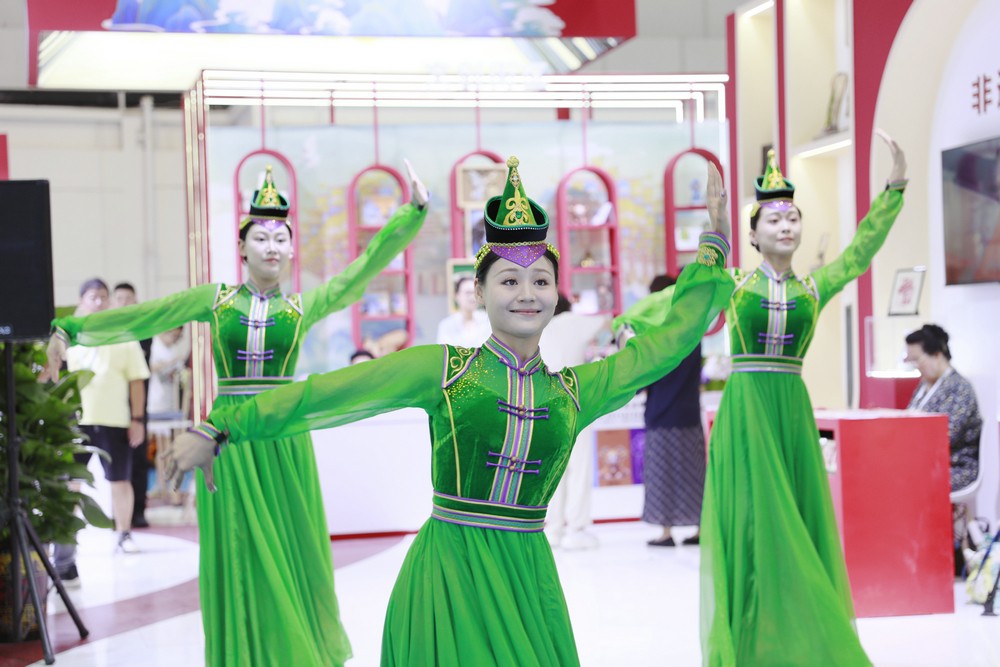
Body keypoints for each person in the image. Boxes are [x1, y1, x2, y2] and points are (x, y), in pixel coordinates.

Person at [165, 156, 734, 666]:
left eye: (540, 280)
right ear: (479, 292)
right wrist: (220, 425)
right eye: (508, 280)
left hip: (529, 585)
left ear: (557, 294)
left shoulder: (574, 392)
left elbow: (664, 345)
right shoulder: (445, 369)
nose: (527, 293)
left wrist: (713, 247)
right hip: (447, 578)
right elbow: (327, 392)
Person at [45, 162, 430, 667]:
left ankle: (296, 651)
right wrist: (71, 330)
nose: (272, 246)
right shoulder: (217, 300)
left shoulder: (303, 306)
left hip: (283, 436)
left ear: (291, 250)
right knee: (238, 548)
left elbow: (358, 274)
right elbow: (147, 315)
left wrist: (411, 213)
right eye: (261, 237)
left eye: (281, 238)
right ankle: (243, 654)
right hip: (222, 438)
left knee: (293, 546)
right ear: (242, 247)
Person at [693, 134, 905, 666]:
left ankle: (804, 635)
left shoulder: (814, 287)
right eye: (773, 219)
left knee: (797, 520)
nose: (785, 225)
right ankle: (750, 639)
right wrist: (714, 223)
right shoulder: (733, 284)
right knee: (751, 520)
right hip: (746, 411)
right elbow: (684, 295)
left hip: (791, 410)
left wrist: (893, 192)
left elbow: (860, 253)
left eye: (792, 217)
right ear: (753, 234)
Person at [53, 277, 150, 581]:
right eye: (93, 297)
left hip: (115, 420)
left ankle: (123, 533)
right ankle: (66, 546)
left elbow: (136, 381)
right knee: (72, 482)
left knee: (120, 479)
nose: (98, 302)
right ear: (81, 301)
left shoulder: (123, 335)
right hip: (77, 422)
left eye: (103, 297)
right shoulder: (69, 336)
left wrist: (137, 419)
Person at [615, 274, 706, 547]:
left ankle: (666, 532)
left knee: (662, 474)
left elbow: (645, 375)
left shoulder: (656, 337)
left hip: (660, 415)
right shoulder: (693, 331)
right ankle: (700, 528)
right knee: (694, 474)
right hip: (689, 414)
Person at [539, 292, 609, 550]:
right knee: (578, 468)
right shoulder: (573, 321)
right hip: (574, 403)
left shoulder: (537, 326)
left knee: (553, 470)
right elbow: (608, 322)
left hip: (544, 407)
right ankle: (576, 529)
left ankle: (554, 529)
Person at [905, 324, 982, 491]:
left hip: (956, 466)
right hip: (927, 463)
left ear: (937, 355)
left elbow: (947, 435)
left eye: (917, 360)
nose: (916, 366)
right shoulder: (924, 386)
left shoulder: (960, 388)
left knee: (905, 481)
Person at [112, 281, 154, 528]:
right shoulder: (106, 331)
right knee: (116, 464)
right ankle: (118, 514)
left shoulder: (143, 330)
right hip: (112, 408)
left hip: (137, 406)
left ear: (136, 301)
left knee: (138, 459)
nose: (124, 303)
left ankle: (139, 510)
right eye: (119, 298)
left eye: (128, 298)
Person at [436, 273, 491, 347]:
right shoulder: (446, 325)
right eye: (468, 293)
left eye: (475, 293)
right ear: (457, 296)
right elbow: (445, 351)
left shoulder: (487, 321)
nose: (472, 297)